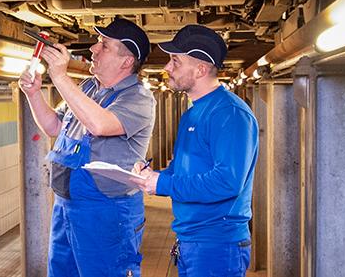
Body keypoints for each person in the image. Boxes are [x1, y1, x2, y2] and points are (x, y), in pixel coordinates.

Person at [19, 18, 156, 277]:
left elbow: (99, 125)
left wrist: (59, 74)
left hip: (107, 213)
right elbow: (54, 127)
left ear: (126, 61)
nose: (93, 49)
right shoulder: (89, 88)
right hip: (66, 206)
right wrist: (34, 94)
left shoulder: (138, 98)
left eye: (104, 45)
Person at [131, 24, 259, 277]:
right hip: (192, 240)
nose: (167, 67)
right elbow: (182, 170)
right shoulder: (192, 114)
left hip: (217, 245)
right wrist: (152, 177)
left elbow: (227, 182)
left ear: (200, 69)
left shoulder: (229, 114)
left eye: (175, 61)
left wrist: (164, 184)